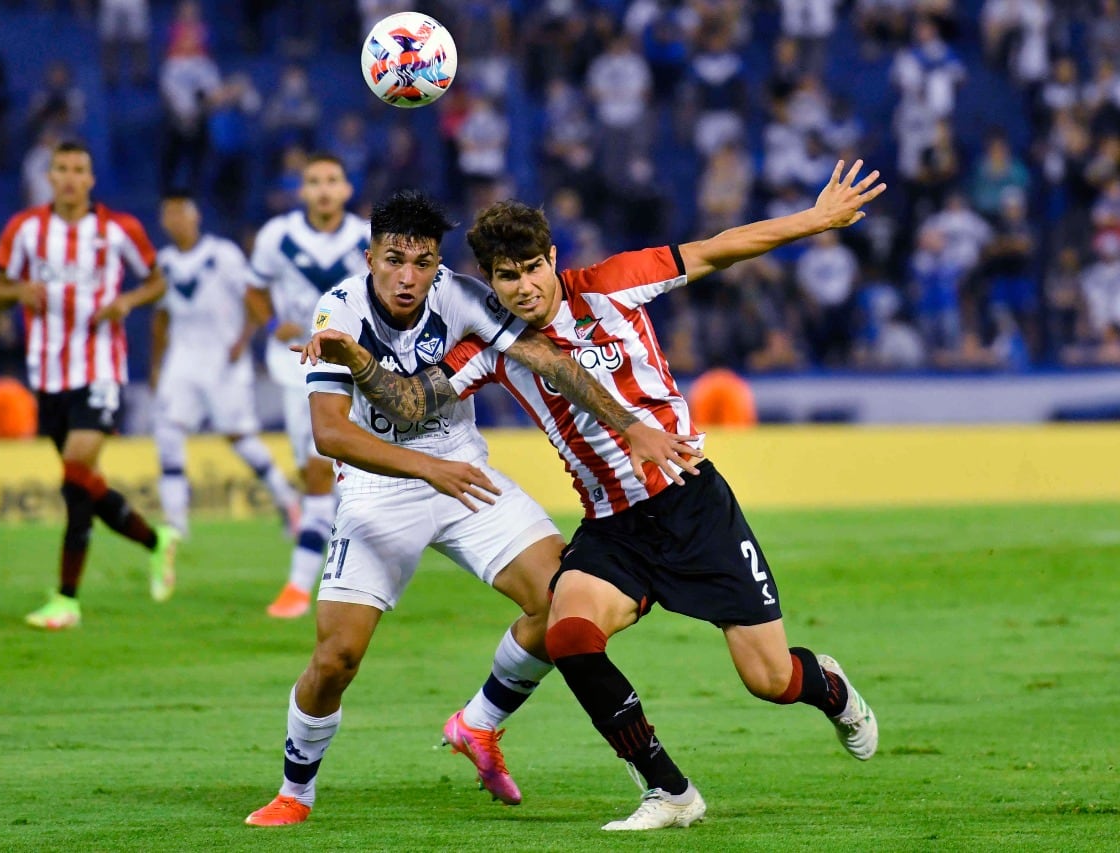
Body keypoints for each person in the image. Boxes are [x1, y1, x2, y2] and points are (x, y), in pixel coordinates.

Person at [309, 161, 885, 831]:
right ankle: (669, 791)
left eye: (531, 268)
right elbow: (408, 403)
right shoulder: (495, 346)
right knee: (569, 630)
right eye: (505, 276)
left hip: (692, 506)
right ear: (489, 281)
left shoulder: (614, 285)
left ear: (553, 259)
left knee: (770, 678)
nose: (522, 286)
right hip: (614, 525)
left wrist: (814, 220)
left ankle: (832, 688)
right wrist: (352, 358)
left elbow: (717, 248)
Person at [245, 189, 698, 828]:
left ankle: (480, 723)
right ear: (368, 255)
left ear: (438, 264)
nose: (408, 278)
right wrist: (431, 469)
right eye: (394, 260)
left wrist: (628, 424)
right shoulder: (338, 311)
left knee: (562, 603)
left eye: (423, 262)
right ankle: (296, 791)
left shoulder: (460, 296)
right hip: (380, 488)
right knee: (337, 657)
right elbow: (332, 436)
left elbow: (544, 358)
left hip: (466, 473)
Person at [0, 140, 179, 630]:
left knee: (76, 470)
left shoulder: (119, 229)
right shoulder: (25, 229)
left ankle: (66, 600)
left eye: (80, 170)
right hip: (48, 374)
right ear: (49, 177)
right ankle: (156, 541)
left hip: (100, 367)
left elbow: (157, 281)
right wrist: (17, 291)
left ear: (92, 179)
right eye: (62, 169)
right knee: (84, 484)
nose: (71, 178)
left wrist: (128, 302)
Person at [247, 153, 370, 619]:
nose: (323, 189)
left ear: (345, 189)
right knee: (319, 470)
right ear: (302, 190)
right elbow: (254, 287)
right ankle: (335, 562)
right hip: (295, 362)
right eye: (314, 181)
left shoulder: (366, 238)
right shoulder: (277, 236)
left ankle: (301, 585)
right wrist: (272, 321)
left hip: (354, 365)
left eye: (332, 181)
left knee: (326, 471)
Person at [150, 192, 299, 541]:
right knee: (168, 432)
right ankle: (175, 523)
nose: (175, 220)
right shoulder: (165, 262)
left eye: (180, 212)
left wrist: (244, 338)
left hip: (223, 358)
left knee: (239, 437)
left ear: (195, 215)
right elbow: (160, 317)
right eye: (168, 214)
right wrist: (156, 365)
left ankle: (287, 498)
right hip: (182, 358)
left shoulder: (223, 255)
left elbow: (252, 296)